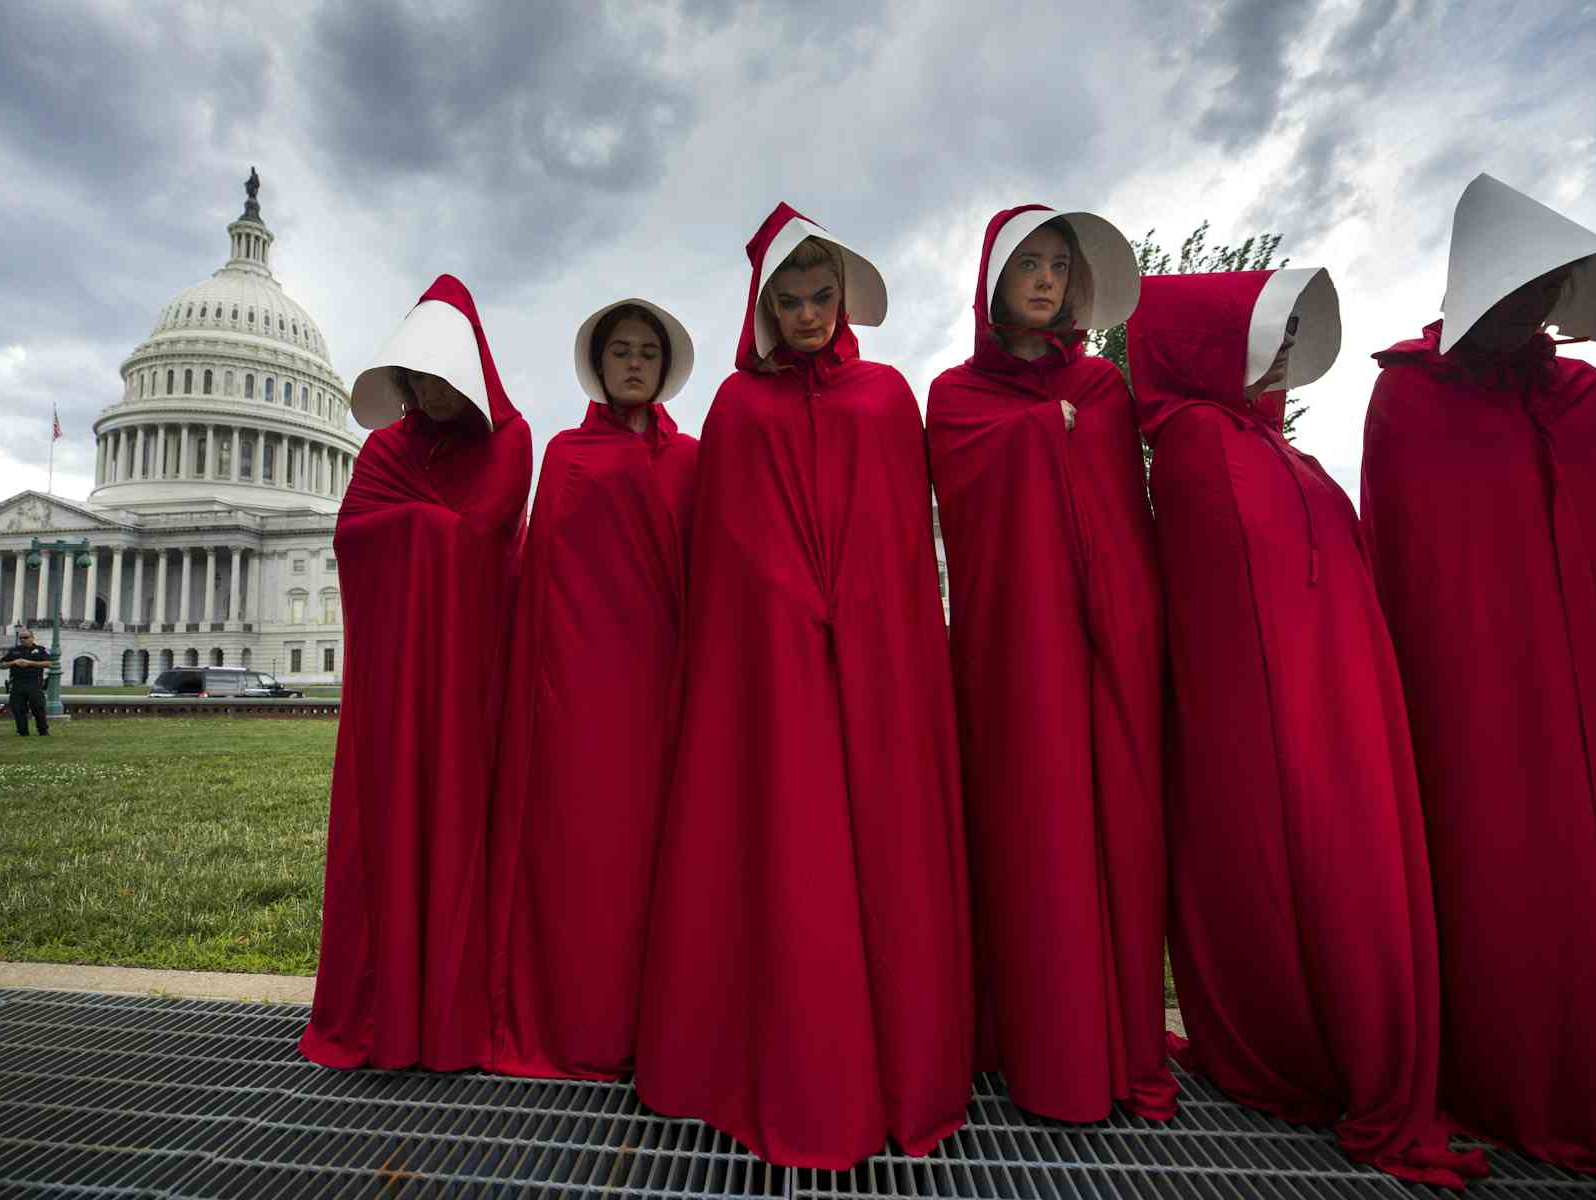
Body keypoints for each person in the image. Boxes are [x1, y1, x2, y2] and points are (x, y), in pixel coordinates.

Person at [1127, 268, 1488, 1189]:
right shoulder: (1199, 444)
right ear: (1209, 347)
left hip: (1344, 701)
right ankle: (1342, 1055)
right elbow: (1235, 607)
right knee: (1323, 873)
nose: (1282, 357)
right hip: (1282, 717)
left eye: (1288, 340)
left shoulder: (1287, 456)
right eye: (1262, 338)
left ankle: (1355, 1050)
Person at [634, 204, 971, 1168]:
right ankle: (786, 1060)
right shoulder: (737, 410)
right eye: (790, 301)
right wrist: (789, 601)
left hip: (876, 659)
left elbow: (906, 540)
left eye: (823, 297)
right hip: (774, 666)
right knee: (786, 841)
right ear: (764, 307)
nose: (810, 314)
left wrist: (862, 611)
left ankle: (900, 1068)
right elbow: (730, 549)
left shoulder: (887, 397)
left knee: (884, 843)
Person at [1362, 173, 1596, 1179]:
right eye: (1523, 284)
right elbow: (1414, 567)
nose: (1541, 305)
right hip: (1479, 706)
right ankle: (1519, 1078)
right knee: (1508, 879)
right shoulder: (1410, 399)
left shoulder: (1583, 399)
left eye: (1554, 284)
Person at [926, 204, 1174, 1124]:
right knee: (1036, 836)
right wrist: (1045, 434)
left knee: (1119, 835)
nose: (1045, 281)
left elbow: (1120, 515)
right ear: (993, 281)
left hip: (1109, 641)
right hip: (1013, 653)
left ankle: (1123, 1039)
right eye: (1027, 263)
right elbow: (978, 517)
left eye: (1061, 267)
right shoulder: (952, 397)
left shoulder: (1105, 389)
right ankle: (1042, 1047)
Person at [298, 275, 532, 1072]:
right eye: (419, 377)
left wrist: (412, 525)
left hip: (472, 676)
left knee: (462, 824)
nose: (430, 391)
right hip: (393, 679)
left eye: (443, 376)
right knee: (387, 820)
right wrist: (430, 525)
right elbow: (353, 540)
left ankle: (452, 1013)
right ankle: (385, 1008)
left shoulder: (511, 438)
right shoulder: (382, 448)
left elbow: (487, 539)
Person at [487, 298, 700, 1080]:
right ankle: (581, 1025)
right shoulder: (565, 454)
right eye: (622, 351)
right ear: (600, 364)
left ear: (665, 365)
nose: (636, 362)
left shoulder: (693, 460)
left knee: (663, 862)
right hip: (580, 696)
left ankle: (664, 1027)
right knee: (586, 862)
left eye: (648, 351)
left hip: (667, 687)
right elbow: (543, 575)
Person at [0, 627, 50, 736]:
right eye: (21, 638)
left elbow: (49, 663)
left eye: (26, 637)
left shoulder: (40, 650)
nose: (23, 640)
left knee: (38, 707)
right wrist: (14, 662)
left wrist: (29, 663)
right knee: (18, 708)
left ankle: (43, 731)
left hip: (34, 683)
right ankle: (22, 731)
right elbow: (2, 665)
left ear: (32, 638)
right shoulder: (14, 650)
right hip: (17, 683)